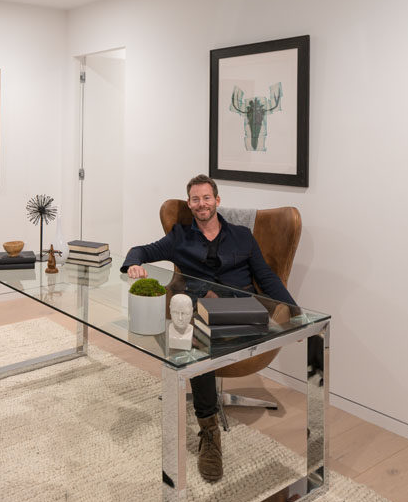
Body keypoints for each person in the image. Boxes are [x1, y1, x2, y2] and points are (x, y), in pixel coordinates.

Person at [121, 174, 296, 483]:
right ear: (189, 204)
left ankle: (265, 323)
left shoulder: (242, 236)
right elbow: (142, 250)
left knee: (210, 333)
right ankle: (210, 433)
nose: (201, 204)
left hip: (240, 309)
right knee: (197, 341)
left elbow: (266, 278)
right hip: (199, 311)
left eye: (206, 198)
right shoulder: (180, 236)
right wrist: (133, 264)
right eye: (195, 199)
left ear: (217, 200)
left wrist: (295, 310)